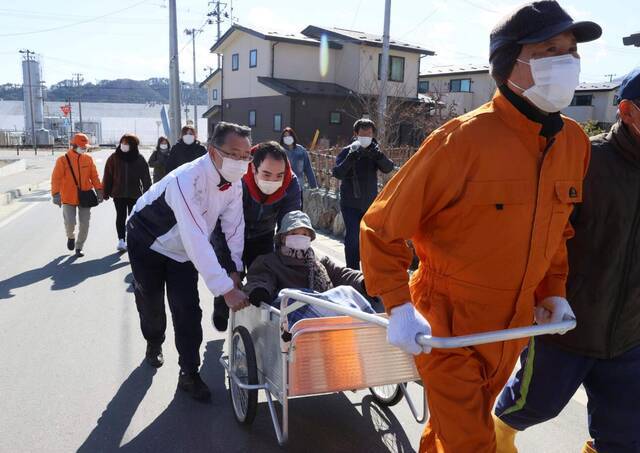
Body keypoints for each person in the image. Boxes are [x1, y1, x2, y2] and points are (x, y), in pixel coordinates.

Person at [358, 2, 601, 452]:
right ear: (511, 63)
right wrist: (397, 306)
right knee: (473, 442)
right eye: (551, 49)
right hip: (447, 323)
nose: (568, 62)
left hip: (509, 330)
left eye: (572, 51)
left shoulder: (574, 142)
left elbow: (558, 231)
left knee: (451, 433)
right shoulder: (460, 140)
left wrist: (553, 291)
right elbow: (381, 226)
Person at [493, 68, 640, 453]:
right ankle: (492, 440)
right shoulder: (584, 159)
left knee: (625, 438)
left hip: (630, 336)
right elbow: (541, 235)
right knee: (527, 407)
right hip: (566, 328)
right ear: (627, 111)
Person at [126, 121, 252, 401]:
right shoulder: (188, 179)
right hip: (146, 240)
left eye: (245, 156)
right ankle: (153, 341)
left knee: (187, 309)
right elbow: (196, 236)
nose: (240, 162)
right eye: (233, 153)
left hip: (180, 251)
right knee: (152, 302)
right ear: (212, 151)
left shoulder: (234, 184)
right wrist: (225, 289)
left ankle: (189, 373)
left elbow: (233, 228)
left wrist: (234, 270)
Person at [211, 141, 301, 331]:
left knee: (262, 278)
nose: (272, 180)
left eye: (279, 175)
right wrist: (230, 268)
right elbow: (218, 226)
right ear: (252, 167)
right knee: (230, 278)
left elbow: (289, 224)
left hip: (263, 234)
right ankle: (221, 305)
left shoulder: (291, 185)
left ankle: (255, 326)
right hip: (232, 233)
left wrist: (284, 263)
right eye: (266, 174)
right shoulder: (236, 180)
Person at [243, 210, 379, 313]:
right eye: (294, 233)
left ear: (310, 238)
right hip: (295, 317)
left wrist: (364, 281)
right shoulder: (270, 262)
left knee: (347, 293)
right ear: (283, 237)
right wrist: (259, 291)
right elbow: (260, 279)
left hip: (327, 312)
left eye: (304, 234)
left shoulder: (318, 260)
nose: (299, 237)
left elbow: (342, 274)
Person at [332, 118, 394, 270]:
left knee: (368, 238)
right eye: (363, 133)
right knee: (353, 236)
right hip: (350, 204)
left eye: (369, 133)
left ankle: (368, 270)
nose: (366, 136)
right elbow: (337, 173)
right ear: (356, 134)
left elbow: (388, 168)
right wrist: (350, 158)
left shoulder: (375, 151)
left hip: (369, 204)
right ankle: (352, 270)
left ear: (373, 134)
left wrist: (378, 156)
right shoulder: (348, 151)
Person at [51, 133, 104, 257]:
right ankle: (70, 237)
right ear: (74, 145)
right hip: (68, 197)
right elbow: (56, 178)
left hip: (85, 196)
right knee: (70, 222)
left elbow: (94, 176)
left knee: (85, 224)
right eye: (81, 146)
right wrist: (55, 194)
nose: (84, 148)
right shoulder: (63, 160)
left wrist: (99, 190)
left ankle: (79, 247)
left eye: (85, 146)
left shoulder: (88, 159)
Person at [102, 133, 152, 251]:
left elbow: (146, 178)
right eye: (122, 142)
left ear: (133, 145)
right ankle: (121, 240)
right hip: (118, 194)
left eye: (127, 143)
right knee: (120, 216)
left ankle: (132, 239)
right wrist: (105, 192)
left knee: (132, 218)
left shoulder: (139, 158)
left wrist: (148, 194)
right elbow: (108, 176)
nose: (124, 145)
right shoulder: (113, 157)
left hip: (134, 194)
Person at [280, 127, 317, 192]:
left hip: (298, 186)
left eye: (289, 135)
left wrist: (313, 185)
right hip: (284, 188)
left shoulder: (301, 151)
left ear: (293, 136)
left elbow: (308, 169)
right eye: (285, 136)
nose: (287, 138)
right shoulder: (280, 151)